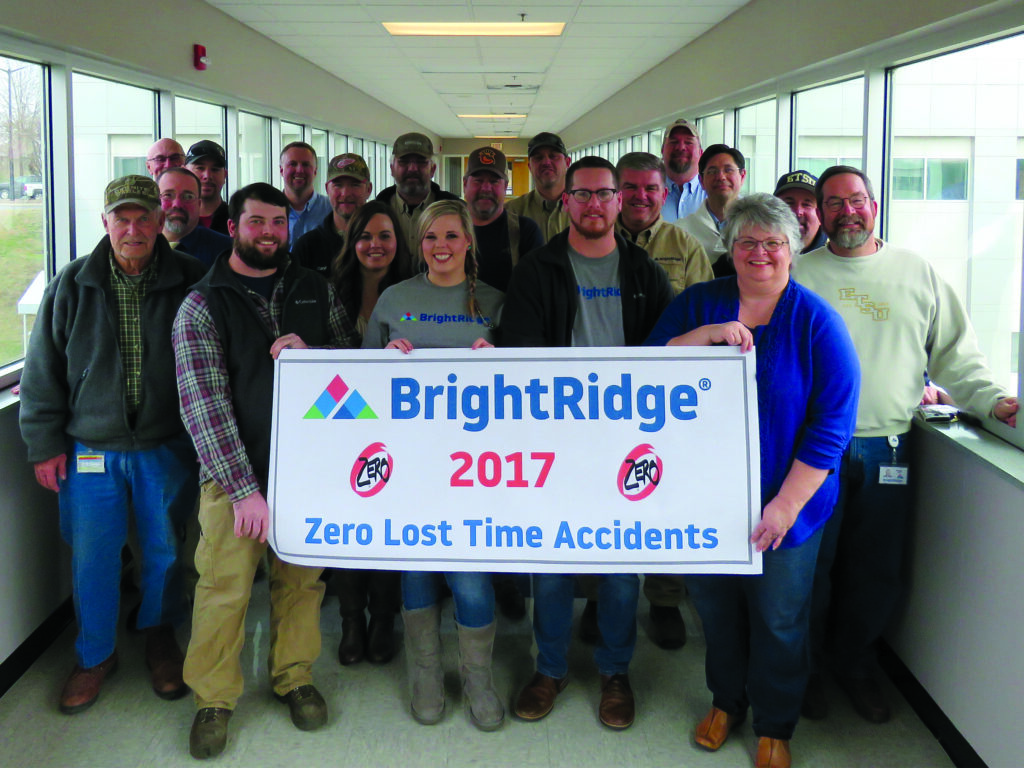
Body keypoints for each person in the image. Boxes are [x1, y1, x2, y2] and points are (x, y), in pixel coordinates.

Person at [791, 166, 1019, 724]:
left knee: (875, 570)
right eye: (834, 203)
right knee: (810, 570)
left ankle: (856, 666)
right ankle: (807, 672)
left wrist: (993, 403)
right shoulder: (798, 273)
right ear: (819, 212)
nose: (847, 212)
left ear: (875, 205)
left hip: (888, 448)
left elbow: (957, 358)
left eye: (857, 201)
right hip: (813, 453)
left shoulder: (917, 273)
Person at [646, 193, 860, 768]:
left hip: (788, 508)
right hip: (706, 502)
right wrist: (708, 335)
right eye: (747, 243)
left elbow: (831, 428)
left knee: (780, 618)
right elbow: (645, 366)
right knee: (715, 611)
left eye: (772, 243)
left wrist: (786, 506)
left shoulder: (817, 322)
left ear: (792, 249)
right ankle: (726, 701)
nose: (759, 253)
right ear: (730, 250)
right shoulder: (699, 303)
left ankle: (774, 723)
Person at [173, 182, 359, 759]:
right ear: (233, 227)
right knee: (224, 590)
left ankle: (294, 676)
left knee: (302, 584)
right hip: (234, 479)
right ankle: (214, 699)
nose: (269, 233)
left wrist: (319, 361)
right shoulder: (203, 304)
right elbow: (204, 407)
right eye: (256, 223)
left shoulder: (313, 287)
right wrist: (244, 491)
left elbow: (352, 377)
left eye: (278, 223)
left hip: (307, 476)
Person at [19, 174, 205, 713]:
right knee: (93, 556)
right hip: (90, 448)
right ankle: (94, 655)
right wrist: (43, 444)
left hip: (164, 446)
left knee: (166, 553)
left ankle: (160, 637)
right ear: (105, 224)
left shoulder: (189, 278)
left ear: (159, 222)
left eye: (143, 217)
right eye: (121, 218)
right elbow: (41, 373)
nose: (133, 228)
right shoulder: (72, 283)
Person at [502, 156, 673, 730]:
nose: (595, 204)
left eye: (606, 195)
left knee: (622, 564)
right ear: (565, 201)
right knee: (551, 558)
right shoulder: (537, 269)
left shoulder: (646, 272)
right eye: (584, 195)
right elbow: (522, 352)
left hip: (625, 443)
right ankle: (549, 667)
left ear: (619, 203)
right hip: (556, 441)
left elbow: (668, 354)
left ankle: (615, 672)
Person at [362, 199, 504, 731]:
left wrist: (501, 364)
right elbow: (357, 392)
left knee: (469, 579)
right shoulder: (395, 299)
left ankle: (478, 678)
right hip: (409, 469)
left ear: (469, 241)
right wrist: (384, 362)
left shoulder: (494, 302)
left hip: (475, 470)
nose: (440, 247)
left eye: (451, 236)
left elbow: (530, 392)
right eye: (429, 238)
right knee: (417, 571)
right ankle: (424, 672)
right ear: (419, 244)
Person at [610, 150, 713, 649]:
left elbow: (704, 317)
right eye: (630, 188)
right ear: (615, 192)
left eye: (652, 189)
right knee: (602, 496)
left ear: (663, 192)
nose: (642, 197)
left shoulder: (685, 246)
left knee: (663, 497)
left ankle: (665, 598)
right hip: (603, 400)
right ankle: (603, 595)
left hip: (665, 399)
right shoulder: (592, 240)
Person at [326, 200, 412, 666]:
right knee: (349, 527)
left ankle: (383, 618)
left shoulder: (414, 292)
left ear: (399, 242)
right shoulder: (329, 291)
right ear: (351, 242)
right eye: (365, 236)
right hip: (342, 429)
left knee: (388, 528)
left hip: (399, 431)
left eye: (384, 235)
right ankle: (351, 620)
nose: (374, 245)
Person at [463, 145, 543, 292]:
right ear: (464, 184)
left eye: (494, 181)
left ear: (505, 186)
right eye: (478, 180)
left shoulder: (525, 232)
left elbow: (536, 292)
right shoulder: (446, 231)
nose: (486, 188)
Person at [376, 132, 459, 254]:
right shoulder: (375, 212)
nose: (413, 168)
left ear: (433, 169)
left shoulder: (456, 211)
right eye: (404, 161)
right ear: (392, 169)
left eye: (421, 162)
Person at [293, 152, 373, 278]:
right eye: (338, 185)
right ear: (327, 189)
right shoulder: (307, 247)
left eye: (355, 185)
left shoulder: (382, 243)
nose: (345, 193)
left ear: (369, 189)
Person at [676, 144, 747, 276]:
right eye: (712, 171)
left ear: (742, 176)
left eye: (728, 170)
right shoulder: (680, 231)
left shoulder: (759, 225)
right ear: (701, 181)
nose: (721, 177)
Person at [158, 167, 231, 268]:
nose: (177, 204)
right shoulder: (140, 245)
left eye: (188, 197)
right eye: (168, 195)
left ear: (199, 204)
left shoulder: (227, 252)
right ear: (156, 201)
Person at [505, 131, 571, 241]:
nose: (546, 162)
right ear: (530, 166)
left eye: (553, 156)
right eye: (538, 157)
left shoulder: (585, 208)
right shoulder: (511, 212)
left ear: (567, 162)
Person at [280, 141, 332, 242]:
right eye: (292, 164)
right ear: (281, 170)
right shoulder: (270, 210)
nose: (299, 170)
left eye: (305, 164)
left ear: (315, 171)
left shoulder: (331, 210)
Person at [660, 118, 706, 223]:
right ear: (662, 151)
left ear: (700, 152)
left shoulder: (712, 194)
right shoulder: (648, 194)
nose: (680, 147)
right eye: (673, 142)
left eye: (689, 142)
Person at [773, 170, 826, 253]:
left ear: (821, 215)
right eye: (789, 203)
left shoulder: (837, 258)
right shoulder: (759, 254)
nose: (798, 212)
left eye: (806, 204)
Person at [185, 140, 230, 235]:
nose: (207, 176)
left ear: (225, 175)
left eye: (215, 169)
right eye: (200, 168)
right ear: (185, 172)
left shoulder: (237, 221)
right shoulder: (172, 220)